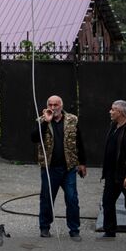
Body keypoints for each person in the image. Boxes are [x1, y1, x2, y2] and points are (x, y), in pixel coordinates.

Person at [31, 95, 86, 239]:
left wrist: (82, 163)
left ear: (61, 106)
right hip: (50, 168)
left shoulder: (72, 120)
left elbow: (79, 141)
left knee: (72, 198)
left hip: (68, 168)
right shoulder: (41, 120)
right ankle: (44, 227)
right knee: (47, 199)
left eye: (56, 105)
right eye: (50, 104)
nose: (53, 108)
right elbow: (34, 138)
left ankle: (74, 230)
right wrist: (45, 122)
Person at [100, 100, 126, 240]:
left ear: (121, 112)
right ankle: (110, 231)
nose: (110, 111)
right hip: (112, 173)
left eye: (113, 110)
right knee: (107, 202)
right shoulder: (114, 125)